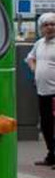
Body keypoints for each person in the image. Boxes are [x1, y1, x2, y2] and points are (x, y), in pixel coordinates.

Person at [28, 12, 55, 167]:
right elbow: (30, 57)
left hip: (54, 92)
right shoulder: (39, 43)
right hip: (42, 91)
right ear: (41, 28)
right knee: (46, 125)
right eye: (46, 25)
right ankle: (51, 154)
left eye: (53, 24)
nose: (50, 27)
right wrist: (35, 69)